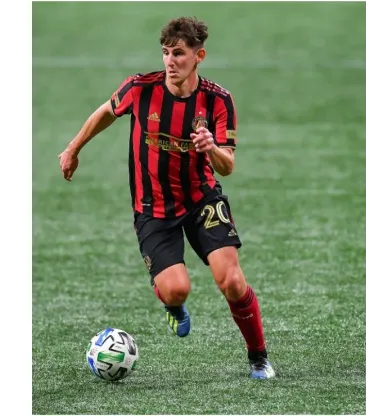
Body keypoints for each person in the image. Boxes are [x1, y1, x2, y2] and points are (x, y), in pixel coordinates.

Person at [57, 17, 275, 379]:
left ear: (198, 56)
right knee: (176, 290)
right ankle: (172, 306)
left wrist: (211, 149)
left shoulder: (217, 100)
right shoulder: (141, 89)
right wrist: (72, 149)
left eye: (179, 53)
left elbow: (228, 167)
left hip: (202, 200)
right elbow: (104, 113)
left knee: (232, 281)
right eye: (165, 53)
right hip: (153, 209)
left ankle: (259, 358)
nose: (170, 61)